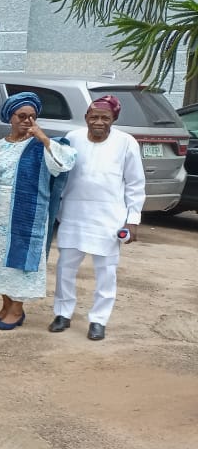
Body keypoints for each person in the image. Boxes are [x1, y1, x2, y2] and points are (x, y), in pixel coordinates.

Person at [51, 95, 145, 341]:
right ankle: (62, 313)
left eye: (105, 118)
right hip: (73, 214)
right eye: (94, 117)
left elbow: (135, 184)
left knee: (106, 272)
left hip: (109, 217)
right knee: (64, 268)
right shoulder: (73, 138)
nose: (99, 122)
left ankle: (99, 320)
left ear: (114, 119)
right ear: (86, 118)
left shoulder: (126, 142)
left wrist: (132, 219)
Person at [0, 92, 76, 330]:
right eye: (22, 116)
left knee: (21, 262)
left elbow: (66, 162)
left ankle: (17, 310)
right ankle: (6, 305)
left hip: (28, 213)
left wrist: (42, 137)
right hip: (0, 213)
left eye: (32, 117)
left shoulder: (40, 146)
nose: (27, 121)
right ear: (10, 117)